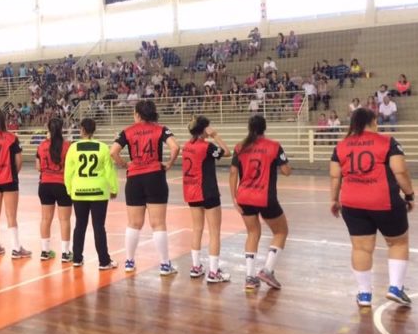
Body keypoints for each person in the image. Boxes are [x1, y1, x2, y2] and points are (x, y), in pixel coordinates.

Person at [329, 108, 415, 307]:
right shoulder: (387, 141)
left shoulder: (340, 146)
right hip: (383, 201)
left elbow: (335, 176)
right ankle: (395, 288)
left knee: (361, 248)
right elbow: (400, 171)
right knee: (398, 243)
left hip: (352, 203)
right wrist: (409, 194)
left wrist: (334, 199)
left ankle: (365, 294)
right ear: (373, 121)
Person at [111, 100, 180, 276]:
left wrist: (125, 164)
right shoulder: (161, 129)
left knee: (134, 223)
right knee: (158, 223)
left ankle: (129, 261)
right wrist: (169, 163)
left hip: (134, 178)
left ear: (138, 114)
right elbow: (175, 146)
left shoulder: (128, 131)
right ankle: (165, 265)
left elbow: (113, 152)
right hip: (155, 176)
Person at [229, 115, 292, 290]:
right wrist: (285, 163)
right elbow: (286, 171)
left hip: (244, 196)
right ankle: (268, 270)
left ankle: (250, 277)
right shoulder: (274, 146)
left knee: (252, 233)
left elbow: (233, 173)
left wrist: (234, 197)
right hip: (265, 197)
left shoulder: (240, 147)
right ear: (265, 128)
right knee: (281, 232)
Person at [182, 116, 231, 283]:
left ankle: (196, 267)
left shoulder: (187, 146)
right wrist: (216, 135)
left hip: (191, 192)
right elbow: (227, 152)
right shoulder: (207, 146)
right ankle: (213, 272)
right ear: (204, 130)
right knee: (214, 232)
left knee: (197, 229)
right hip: (208, 191)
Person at [65, 118, 118, 269]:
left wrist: (69, 189)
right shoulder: (102, 148)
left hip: (79, 192)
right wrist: (113, 189)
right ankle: (104, 261)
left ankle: (76, 258)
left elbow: (68, 172)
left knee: (79, 225)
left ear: (81, 130)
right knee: (99, 226)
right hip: (98, 192)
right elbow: (109, 171)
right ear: (94, 130)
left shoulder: (73, 148)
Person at [0, 109, 30, 258]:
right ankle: (16, 249)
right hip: (9, 179)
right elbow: (19, 161)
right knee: (11, 215)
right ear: (4, 121)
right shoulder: (12, 138)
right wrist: (14, 173)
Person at [36, 117, 72, 261]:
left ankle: (45, 251)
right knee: (64, 220)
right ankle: (65, 253)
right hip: (62, 184)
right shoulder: (68, 146)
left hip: (45, 184)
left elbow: (38, 167)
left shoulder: (41, 146)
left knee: (45, 219)